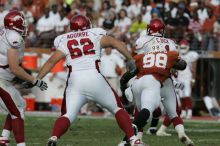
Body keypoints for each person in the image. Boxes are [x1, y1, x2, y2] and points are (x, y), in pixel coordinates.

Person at [33, 14, 147, 146]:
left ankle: (53, 138)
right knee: (117, 109)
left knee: (68, 115)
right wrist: (130, 59)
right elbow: (114, 43)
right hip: (94, 76)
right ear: (87, 26)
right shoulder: (94, 34)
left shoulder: (64, 39)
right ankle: (133, 140)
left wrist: (37, 78)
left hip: (74, 80)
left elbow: (52, 60)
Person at [119, 19, 194, 146]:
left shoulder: (142, 40)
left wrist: (127, 81)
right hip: (165, 78)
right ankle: (181, 133)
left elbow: (133, 64)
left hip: (144, 76)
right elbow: (179, 64)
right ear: (162, 31)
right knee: (173, 111)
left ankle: (135, 138)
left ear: (149, 29)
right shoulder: (170, 43)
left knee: (141, 109)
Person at [0, 11, 47, 146]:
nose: (24, 26)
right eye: (22, 23)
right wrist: (35, 80)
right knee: (18, 109)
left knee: (19, 104)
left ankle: (3, 138)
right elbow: (14, 68)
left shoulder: (5, 32)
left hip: (3, 78)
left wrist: (21, 78)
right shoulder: (14, 37)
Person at [177, 39, 199, 119]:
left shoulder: (191, 55)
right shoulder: (177, 54)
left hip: (187, 77)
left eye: (184, 48)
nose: (182, 50)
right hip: (179, 77)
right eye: (181, 48)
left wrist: (193, 79)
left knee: (187, 94)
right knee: (181, 95)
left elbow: (194, 67)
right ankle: (183, 111)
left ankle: (189, 112)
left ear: (188, 47)